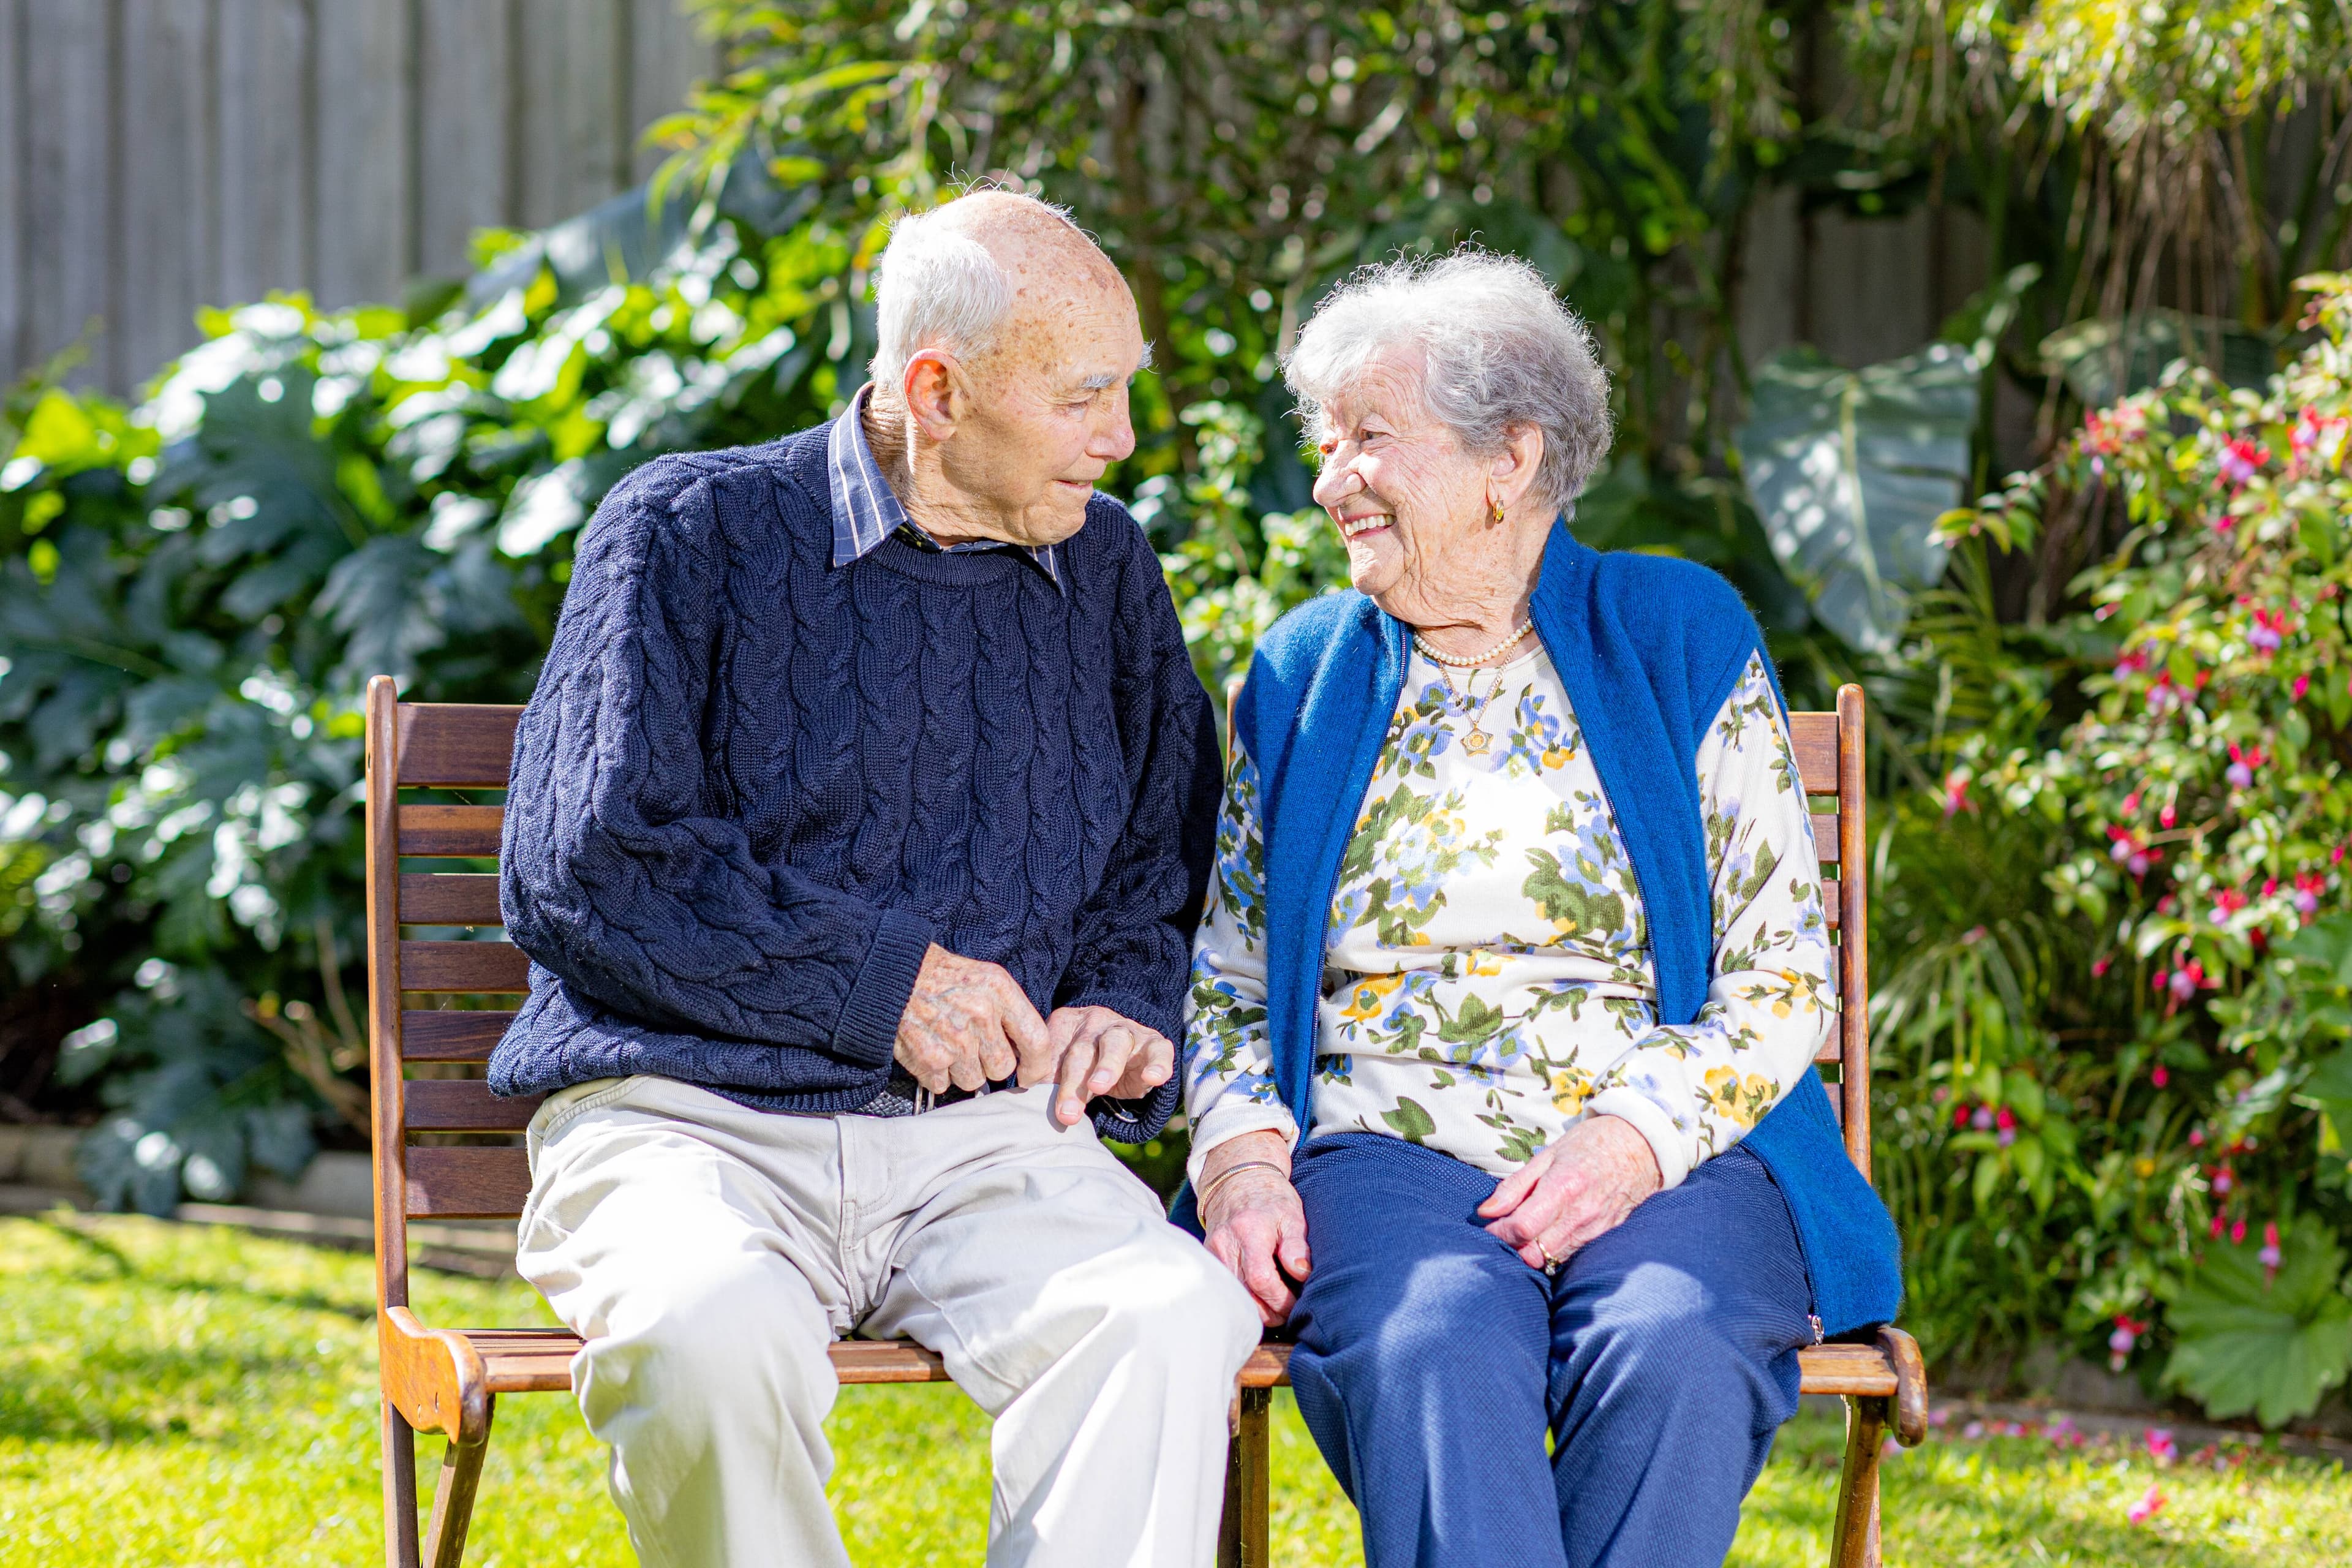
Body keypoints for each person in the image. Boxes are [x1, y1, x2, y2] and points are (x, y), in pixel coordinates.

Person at [491, 187, 1261, 1568]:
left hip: (987, 1143)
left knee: (1169, 1314)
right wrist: (876, 980)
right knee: (701, 1332)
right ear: (936, 390)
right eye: (1088, 395)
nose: (1122, 437)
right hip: (690, 1118)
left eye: (1126, 391)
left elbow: (1161, 856)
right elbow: (583, 865)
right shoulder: (689, 534)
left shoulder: (1108, 569)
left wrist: (1119, 998)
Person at [1180, 251, 1903, 1568]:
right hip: (1387, 1142)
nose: (1333, 479)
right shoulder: (1301, 675)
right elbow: (1230, 978)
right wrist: (1237, 1156)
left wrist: (1629, 1138)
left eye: (1370, 440)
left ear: (1509, 459)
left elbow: (1784, 975)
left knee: (1674, 1344)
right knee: (1432, 1339)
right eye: (1325, 442)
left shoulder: (1677, 629)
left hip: (1672, 1139)